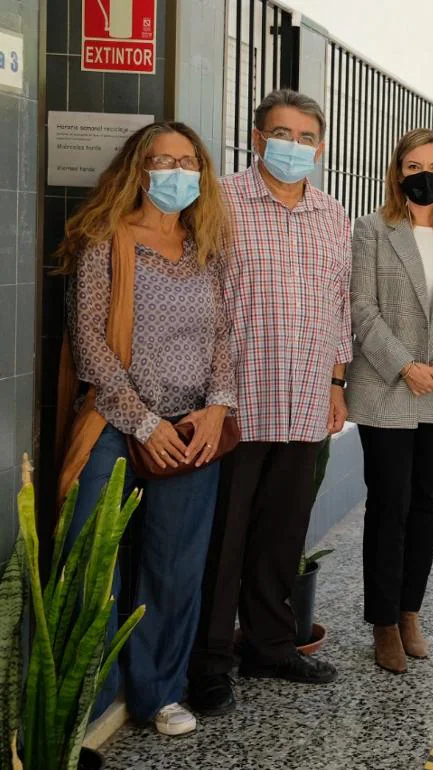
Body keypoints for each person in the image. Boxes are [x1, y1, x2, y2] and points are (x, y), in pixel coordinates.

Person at [55, 121, 234, 736]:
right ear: (139, 168)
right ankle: (91, 701)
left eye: (189, 162)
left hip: (192, 429)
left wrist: (217, 405)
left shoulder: (206, 245)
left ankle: (159, 691)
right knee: (91, 561)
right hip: (116, 422)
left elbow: (224, 337)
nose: (177, 172)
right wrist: (144, 421)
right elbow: (91, 348)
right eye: (163, 160)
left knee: (174, 566)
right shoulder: (107, 239)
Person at [189, 89, 351, 715]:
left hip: (306, 400)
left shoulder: (332, 215)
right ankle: (210, 661)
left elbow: (341, 310)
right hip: (234, 406)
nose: (294, 147)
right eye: (281, 134)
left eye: (306, 137)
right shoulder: (220, 202)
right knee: (224, 540)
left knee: (284, 536)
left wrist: (337, 384)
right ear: (258, 139)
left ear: (319, 146)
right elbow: (201, 298)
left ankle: (271, 645)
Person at [347, 128, 433, 673]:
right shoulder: (371, 231)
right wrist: (405, 365)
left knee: (426, 504)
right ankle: (383, 622)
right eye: (413, 165)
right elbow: (361, 308)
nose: (424, 174)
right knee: (388, 505)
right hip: (387, 386)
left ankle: (410, 611)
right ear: (398, 172)